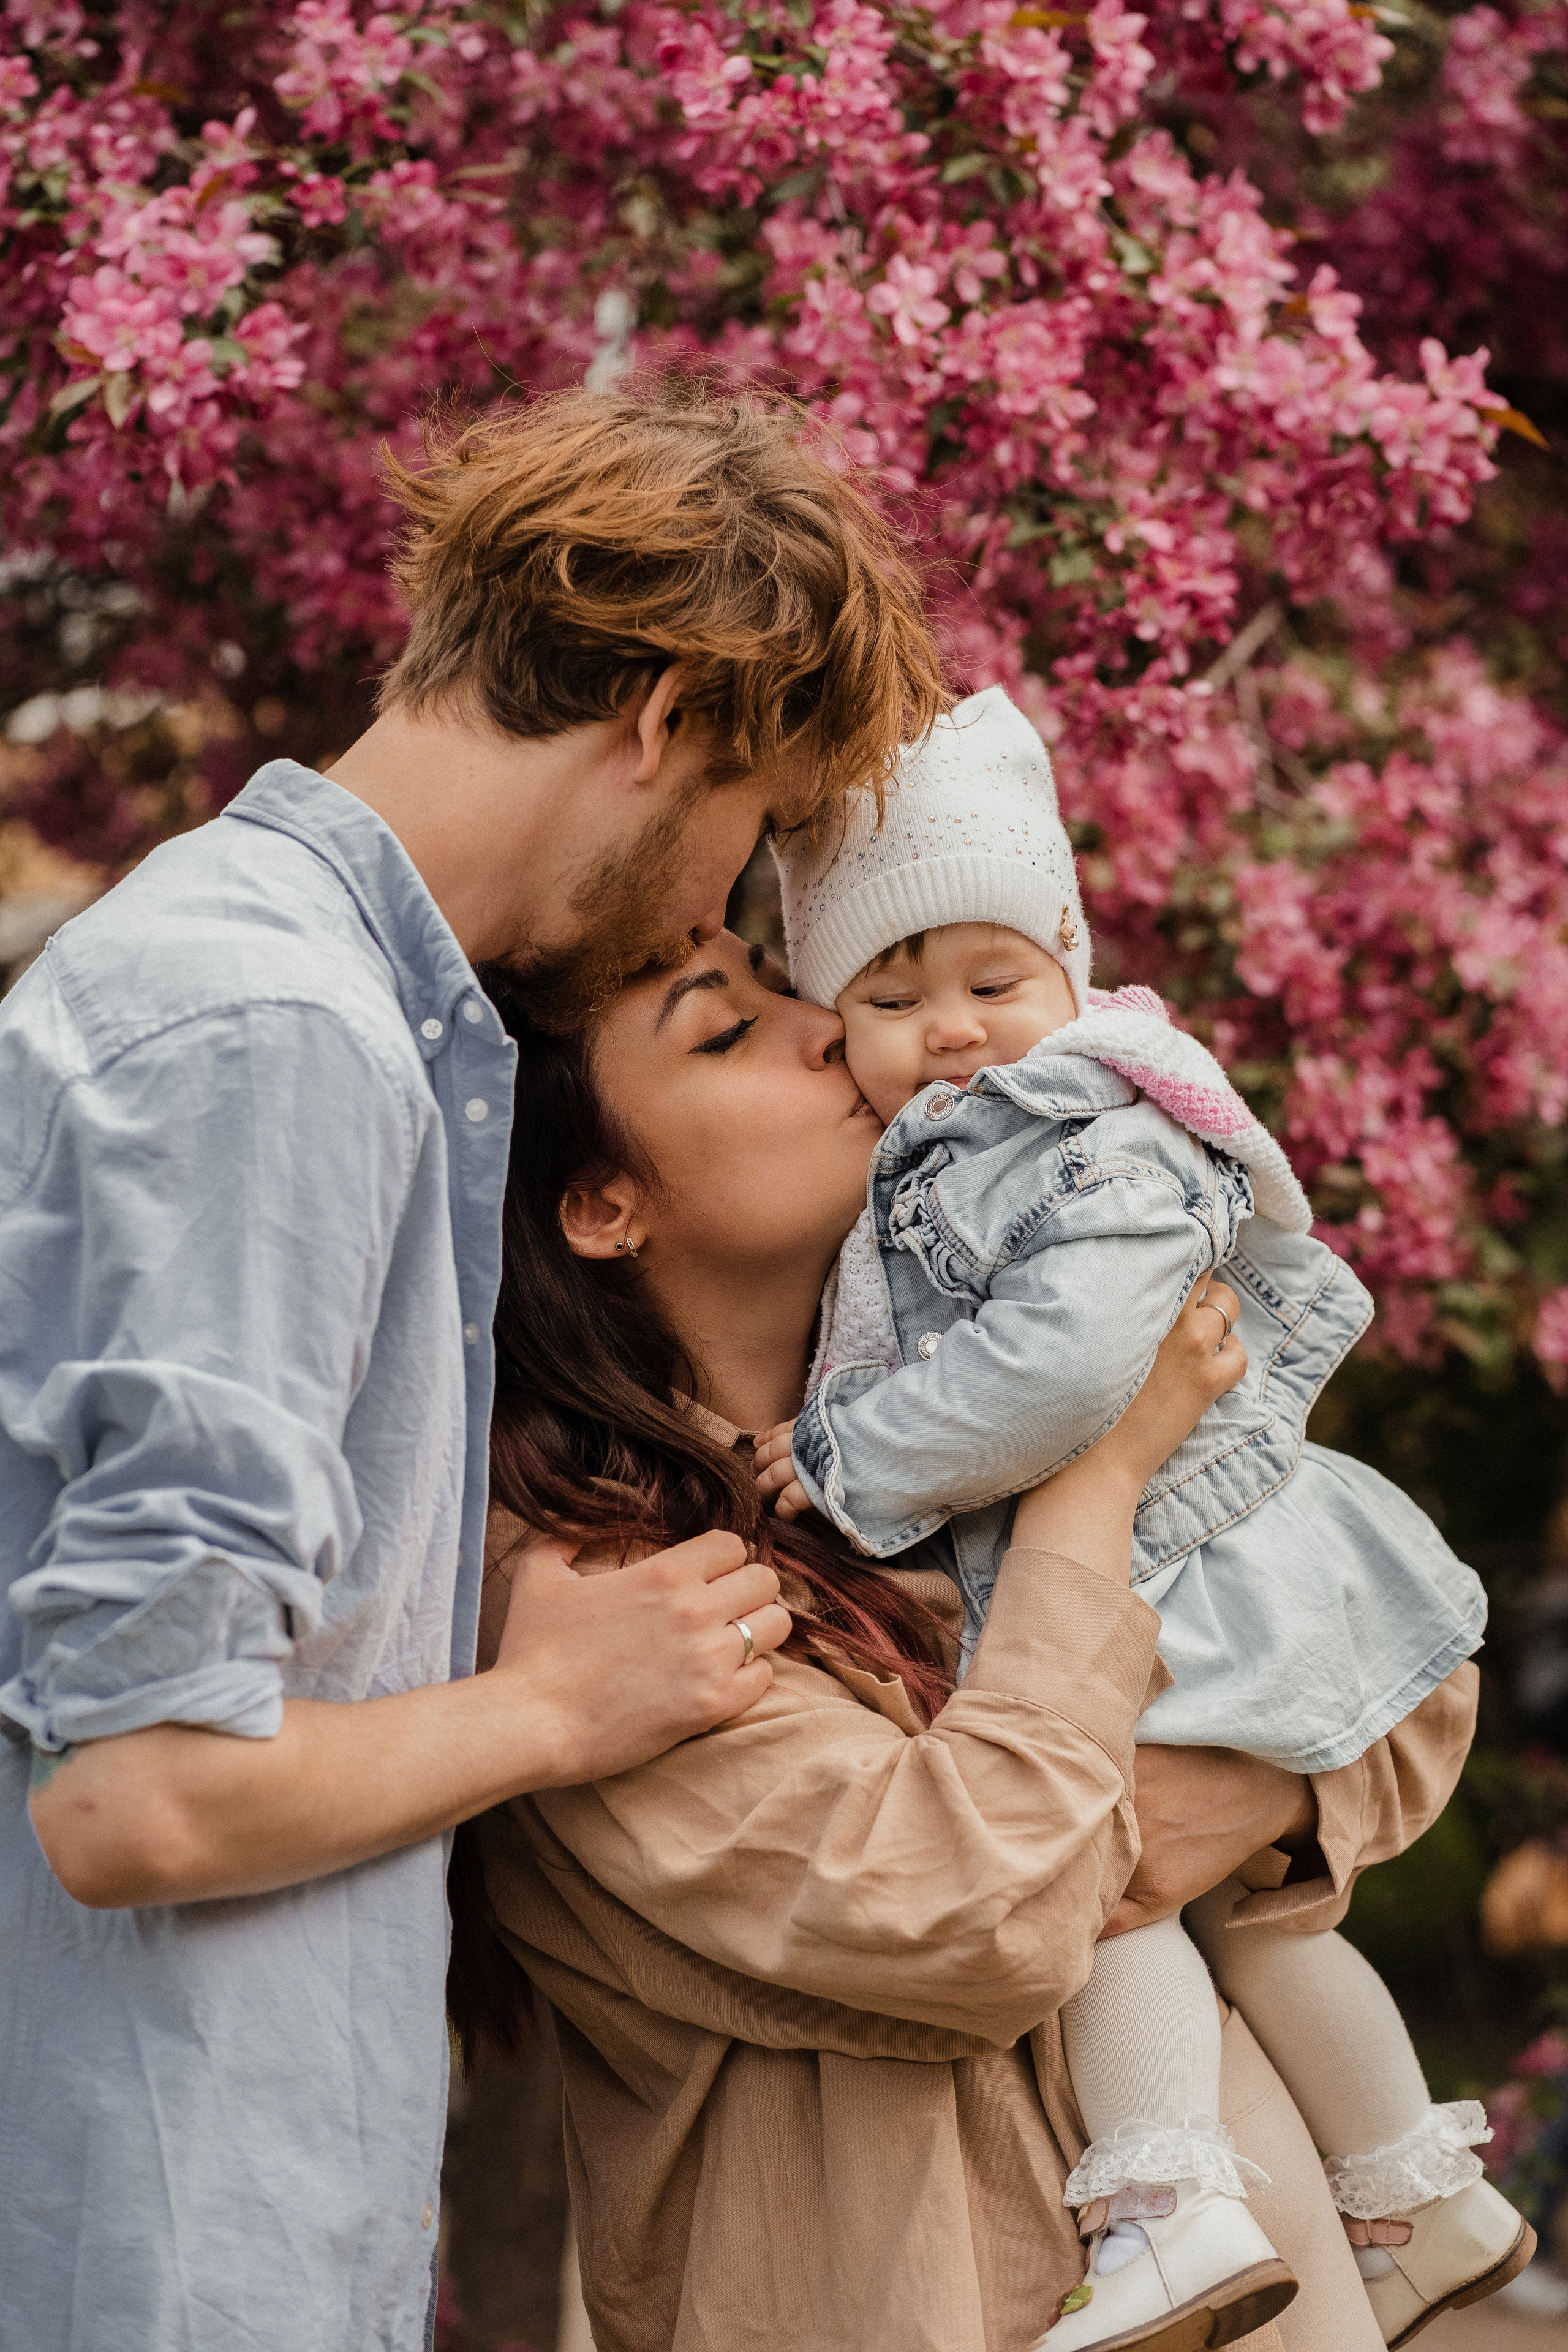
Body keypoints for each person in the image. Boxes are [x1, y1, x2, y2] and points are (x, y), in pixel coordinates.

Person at [0, 388, 943, 2352]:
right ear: (667, 715)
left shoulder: (313, 1006)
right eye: (751, 829)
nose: (716, 907)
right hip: (166, 2261)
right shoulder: (277, 1029)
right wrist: (555, 1710)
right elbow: (138, 1794)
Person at [456, 930, 1479, 2352]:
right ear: (600, 1205)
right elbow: (975, 1916)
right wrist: (1097, 1485)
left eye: (780, 985)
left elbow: (1405, 1668)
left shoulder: (956, 1415)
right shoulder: (605, 1598)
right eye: (722, 1032)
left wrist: (1267, 1790)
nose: (825, 1028)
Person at [753, 684, 1526, 2348]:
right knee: (1248, 1906)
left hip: (1185, 1563)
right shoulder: (971, 1143)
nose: (950, 1029)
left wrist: (846, 1468)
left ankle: (1169, 2207)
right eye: (889, 997)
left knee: (1105, 1885)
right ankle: (1413, 2182)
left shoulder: (1069, 1131)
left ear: (1072, 966)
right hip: (1180, 1555)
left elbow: (1068, 1363)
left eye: (991, 980)